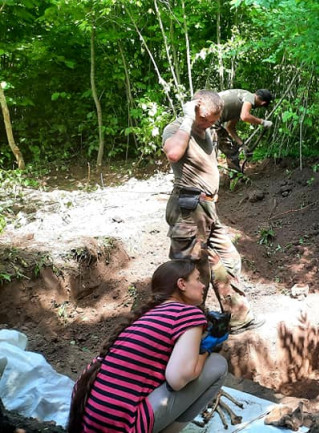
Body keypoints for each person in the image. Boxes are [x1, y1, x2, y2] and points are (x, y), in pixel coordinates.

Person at [67, 259, 229, 433]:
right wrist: (205, 352)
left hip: (92, 421)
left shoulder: (145, 316)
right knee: (217, 364)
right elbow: (178, 379)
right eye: (197, 279)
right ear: (181, 284)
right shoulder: (188, 313)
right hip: (123, 426)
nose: (203, 285)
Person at [162, 90, 259, 333]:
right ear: (192, 109)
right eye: (204, 118)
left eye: (213, 120)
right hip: (188, 210)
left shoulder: (207, 131)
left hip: (206, 209)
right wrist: (187, 119)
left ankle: (237, 317)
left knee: (229, 260)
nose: (208, 124)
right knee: (191, 271)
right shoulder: (177, 128)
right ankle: (184, 328)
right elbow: (173, 153)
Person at [215, 88, 274, 172]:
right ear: (263, 103)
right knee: (231, 152)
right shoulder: (249, 96)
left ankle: (235, 176)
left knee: (231, 149)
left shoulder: (239, 104)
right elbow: (245, 116)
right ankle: (236, 177)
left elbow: (230, 127)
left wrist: (242, 145)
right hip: (209, 123)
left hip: (205, 119)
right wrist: (263, 122)